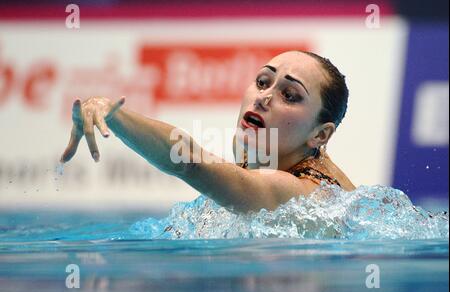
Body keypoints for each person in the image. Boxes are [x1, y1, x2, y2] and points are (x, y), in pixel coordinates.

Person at [60, 50, 355, 213]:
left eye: (290, 95)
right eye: (263, 81)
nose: (263, 97)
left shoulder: (301, 194)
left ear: (320, 135)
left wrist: (115, 116)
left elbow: (190, 163)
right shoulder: (256, 149)